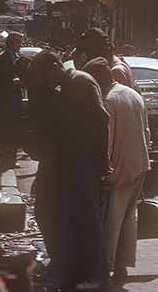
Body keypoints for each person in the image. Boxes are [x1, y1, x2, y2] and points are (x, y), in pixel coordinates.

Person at [25, 50, 110, 289]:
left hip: (84, 162)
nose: (46, 82)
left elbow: (102, 122)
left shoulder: (80, 81)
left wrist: (103, 161)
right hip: (67, 162)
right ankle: (69, 268)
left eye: (45, 76)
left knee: (88, 217)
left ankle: (98, 276)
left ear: (55, 66)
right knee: (56, 213)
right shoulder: (62, 88)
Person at [82, 58, 150, 282]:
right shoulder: (133, 94)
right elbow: (146, 132)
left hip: (118, 170)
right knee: (129, 220)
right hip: (139, 165)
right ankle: (121, 266)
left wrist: (102, 171)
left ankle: (104, 270)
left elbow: (106, 141)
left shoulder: (108, 100)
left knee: (111, 222)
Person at [0, 31, 25, 172]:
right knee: (5, 131)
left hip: (15, 100)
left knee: (15, 130)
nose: (20, 45)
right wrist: (12, 82)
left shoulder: (18, 58)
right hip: (4, 100)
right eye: (18, 42)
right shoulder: (1, 58)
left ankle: (12, 159)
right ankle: (4, 161)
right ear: (10, 42)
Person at [74, 27, 139, 94]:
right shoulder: (118, 64)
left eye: (89, 53)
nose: (88, 58)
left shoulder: (116, 71)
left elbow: (116, 101)